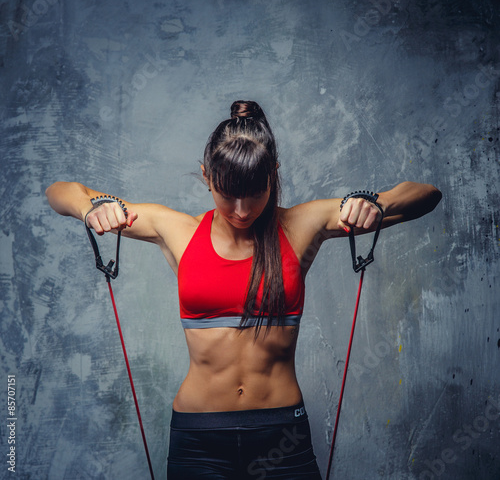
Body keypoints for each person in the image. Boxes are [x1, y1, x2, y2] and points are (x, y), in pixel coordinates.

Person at [46, 100, 442, 479]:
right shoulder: (179, 231)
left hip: (282, 434)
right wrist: (93, 207)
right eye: (226, 194)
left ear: (274, 173)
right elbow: (61, 191)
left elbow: (426, 195)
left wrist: (375, 202)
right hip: (198, 439)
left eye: (255, 193)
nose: (240, 210)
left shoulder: (300, 226)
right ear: (206, 176)